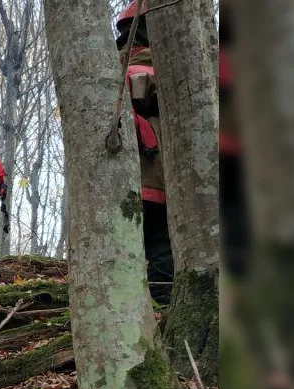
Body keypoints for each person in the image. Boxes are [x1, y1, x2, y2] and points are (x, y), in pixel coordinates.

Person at [116, 2, 175, 303]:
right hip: (166, 181)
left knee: (126, 253)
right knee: (162, 248)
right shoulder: (173, 69)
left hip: (124, 185)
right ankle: (164, 308)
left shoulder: (114, 70)